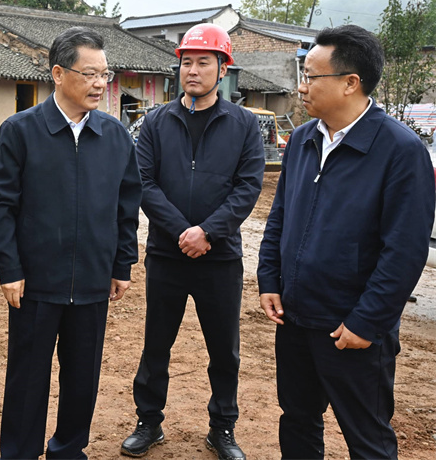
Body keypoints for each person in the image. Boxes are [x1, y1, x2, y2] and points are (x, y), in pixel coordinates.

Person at [257, 24, 434, 459]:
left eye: (310, 77)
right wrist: (270, 279)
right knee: (298, 420)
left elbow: (405, 249)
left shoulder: (399, 150)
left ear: (350, 82)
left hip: (350, 327)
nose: (301, 87)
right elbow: (280, 217)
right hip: (295, 317)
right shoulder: (302, 139)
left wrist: (367, 322)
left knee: (367, 436)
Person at [0, 26, 142, 459]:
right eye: (89, 73)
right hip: (35, 283)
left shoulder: (115, 136)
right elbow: (0, 205)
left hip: (92, 281)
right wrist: (9, 267)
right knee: (27, 378)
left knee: (82, 378)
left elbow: (127, 206)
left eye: (105, 74)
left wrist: (122, 264)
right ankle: (19, 452)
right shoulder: (20, 131)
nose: (99, 83)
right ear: (58, 73)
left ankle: (69, 450)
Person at [121, 23, 264, 460]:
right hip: (167, 255)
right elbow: (144, 182)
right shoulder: (156, 121)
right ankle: (149, 421)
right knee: (156, 344)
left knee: (224, 350)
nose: (193, 70)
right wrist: (183, 231)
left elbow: (247, 187)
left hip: (220, 259)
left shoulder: (244, 124)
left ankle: (223, 428)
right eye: (187, 62)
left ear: (223, 69)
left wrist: (209, 233)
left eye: (204, 62)